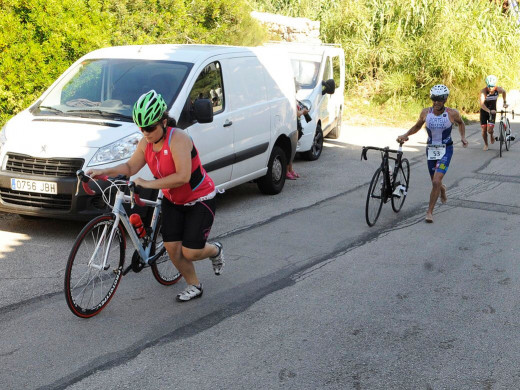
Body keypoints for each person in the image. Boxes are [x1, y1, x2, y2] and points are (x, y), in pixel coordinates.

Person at [87, 90, 224, 302]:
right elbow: (130, 166)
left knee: (191, 252)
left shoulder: (178, 139)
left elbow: (182, 177)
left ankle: (215, 251)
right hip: (173, 200)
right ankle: (194, 285)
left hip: (199, 199)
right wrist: (104, 171)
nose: (145, 133)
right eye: (141, 128)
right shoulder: (146, 143)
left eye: (150, 127)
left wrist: (148, 183)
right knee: (172, 249)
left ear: (163, 121)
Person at [397, 84, 468, 223]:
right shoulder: (425, 113)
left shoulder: (452, 113)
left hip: (446, 149)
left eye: (440, 99)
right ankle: (441, 189)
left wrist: (463, 137)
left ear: (445, 99)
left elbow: (461, 123)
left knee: (436, 181)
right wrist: (406, 134)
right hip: (431, 149)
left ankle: (429, 212)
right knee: (435, 182)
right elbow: (417, 126)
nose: (436, 102)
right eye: (434, 99)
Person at [479, 75, 508, 151]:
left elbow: (504, 92)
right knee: (484, 130)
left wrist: (504, 102)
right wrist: (489, 111)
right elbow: (482, 104)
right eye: (488, 86)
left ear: (495, 85)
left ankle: (491, 135)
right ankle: (486, 144)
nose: (490, 88)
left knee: (489, 130)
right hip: (484, 111)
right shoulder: (483, 91)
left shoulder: (498, 89)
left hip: (493, 111)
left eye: (492, 86)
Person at [287, 101, 309, 180]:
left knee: (293, 150)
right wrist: (303, 111)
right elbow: (296, 113)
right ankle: (286, 171)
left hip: (297, 127)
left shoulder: (295, 99)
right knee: (289, 151)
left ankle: (290, 170)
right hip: (291, 127)